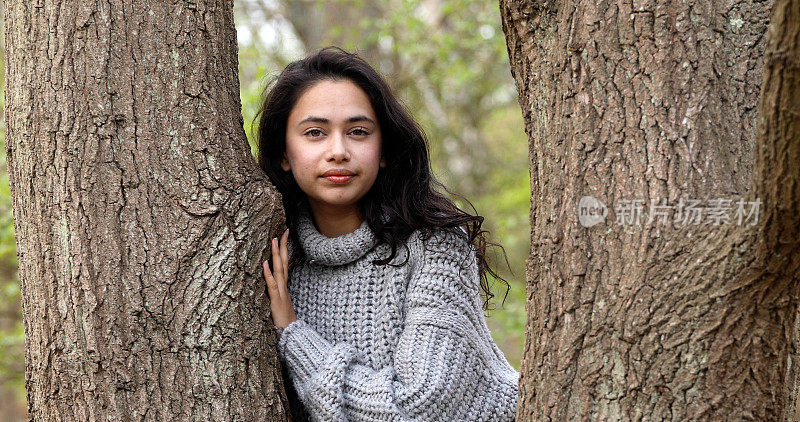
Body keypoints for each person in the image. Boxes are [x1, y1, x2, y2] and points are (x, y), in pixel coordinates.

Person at [255, 45, 520, 421]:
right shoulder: (274, 262)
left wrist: (294, 335)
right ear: (284, 152)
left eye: (358, 132)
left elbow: (420, 407)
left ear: (382, 149)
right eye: (315, 133)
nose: (338, 151)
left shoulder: (435, 247)